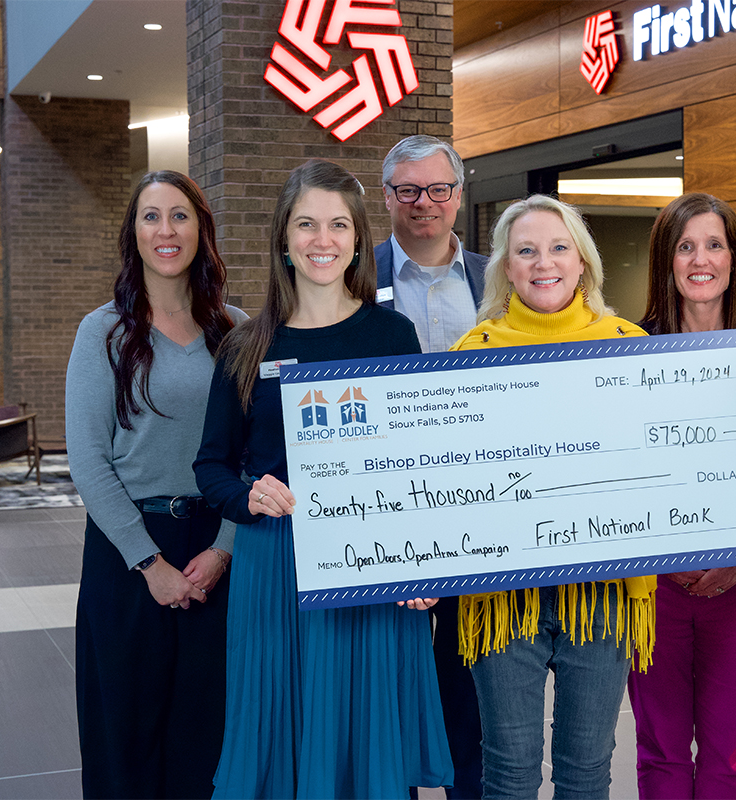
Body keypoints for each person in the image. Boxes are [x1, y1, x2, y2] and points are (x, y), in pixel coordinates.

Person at [193, 158, 453, 799]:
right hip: (277, 566)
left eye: (338, 225)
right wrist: (248, 495)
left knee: (366, 750)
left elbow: (418, 464)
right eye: (307, 224)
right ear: (284, 236)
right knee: (283, 741)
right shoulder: (247, 344)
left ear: (359, 239)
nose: (323, 240)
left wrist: (425, 565)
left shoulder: (393, 334)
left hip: (372, 565)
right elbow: (211, 467)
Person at [451, 194, 656, 799]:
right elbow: (450, 483)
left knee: (587, 769)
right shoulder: (473, 352)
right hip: (502, 597)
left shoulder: (631, 345)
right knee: (508, 772)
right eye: (526, 251)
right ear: (506, 269)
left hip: (605, 592)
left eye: (559, 247)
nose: (545, 262)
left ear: (583, 263)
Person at [67, 170, 244, 799]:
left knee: (209, 732)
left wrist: (224, 547)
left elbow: (253, 455)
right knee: (127, 732)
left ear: (202, 230)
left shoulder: (237, 331)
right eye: (151, 216)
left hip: (218, 545)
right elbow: (88, 461)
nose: (166, 230)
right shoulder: (104, 332)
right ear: (133, 234)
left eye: (180, 216)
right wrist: (150, 562)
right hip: (129, 551)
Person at [628, 192, 736, 799]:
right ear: (665, 261)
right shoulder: (626, 351)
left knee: (729, 752)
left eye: (714, 244)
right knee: (661, 751)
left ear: (735, 258)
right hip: (653, 587)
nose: (700, 260)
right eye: (685, 246)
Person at [376, 133, 488, 799]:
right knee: (390, 696)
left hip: (481, 517)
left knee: (470, 692)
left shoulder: (497, 278)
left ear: (458, 195)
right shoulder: (356, 282)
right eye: (409, 190)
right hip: (387, 516)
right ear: (387, 198)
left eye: (438, 188)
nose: (425, 203)